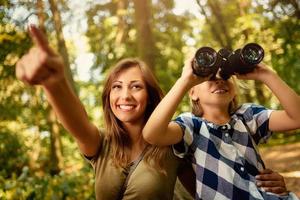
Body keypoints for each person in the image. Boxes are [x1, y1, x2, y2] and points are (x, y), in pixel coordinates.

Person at [16, 25, 290, 200]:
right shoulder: (100, 144)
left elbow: (219, 174)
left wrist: (263, 182)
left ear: (149, 96)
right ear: (108, 96)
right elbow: (75, 120)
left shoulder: (173, 141)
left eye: (136, 87)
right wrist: (55, 83)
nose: (125, 96)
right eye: (117, 88)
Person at [142, 55, 300, 200]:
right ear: (192, 92)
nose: (219, 80)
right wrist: (184, 81)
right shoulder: (191, 125)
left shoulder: (248, 115)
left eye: (225, 76)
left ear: (234, 90)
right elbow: (152, 134)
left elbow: (296, 118)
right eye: (210, 78)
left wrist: (266, 74)